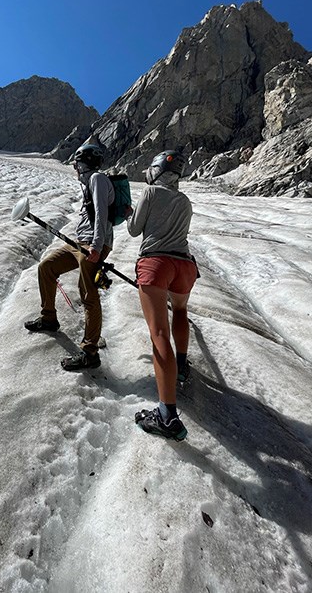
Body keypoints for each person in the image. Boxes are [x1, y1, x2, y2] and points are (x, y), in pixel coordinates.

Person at [24, 139, 115, 371]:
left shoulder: (97, 179)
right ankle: (49, 319)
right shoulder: (88, 183)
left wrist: (96, 245)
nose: (75, 167)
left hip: (93, 245)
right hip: (79, 243)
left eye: (77, 162)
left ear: (85, 162)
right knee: (46, 267)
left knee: (89, 295)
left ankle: (90, 352)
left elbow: (101, 213)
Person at [126, 149, 198, 441]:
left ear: (156, 170)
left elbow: (134, 230)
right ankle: (181, 365)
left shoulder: (151, 192)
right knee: (180, 312)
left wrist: (131, 212)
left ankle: (167, 416)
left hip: (156, 262)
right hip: (185, 265)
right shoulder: (185, 201)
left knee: (158, 333)